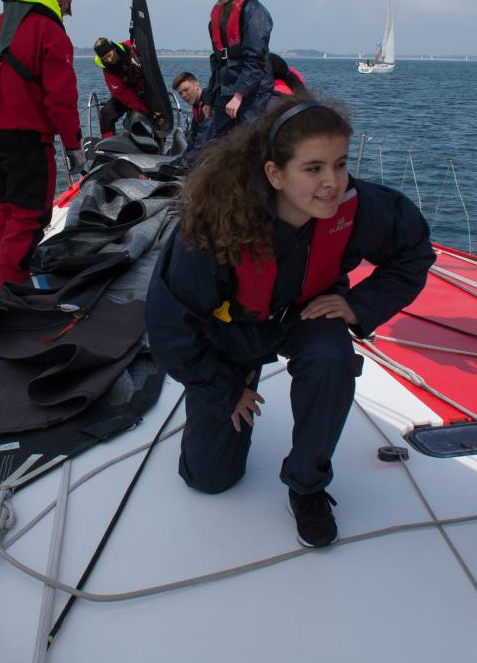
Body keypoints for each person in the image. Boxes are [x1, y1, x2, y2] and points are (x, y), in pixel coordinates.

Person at [146, 99, 434, 547]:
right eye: (313, 168)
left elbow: (413, 251)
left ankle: (307, 485)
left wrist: (358, 305)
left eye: (340, 164)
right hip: (232, 333)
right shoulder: (214, 224)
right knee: (208, 479)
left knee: (332, 358)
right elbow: (170, 325)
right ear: (275, 174)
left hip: (306, 316)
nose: (332, 182)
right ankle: (232, 395)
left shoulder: (359, 208)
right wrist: (224, 388)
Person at [0, 0, 83, 290]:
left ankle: (1, 281)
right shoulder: (50, 31)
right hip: (27, 139)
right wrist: (73, 145)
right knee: (28, 215)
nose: (65, 14)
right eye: (67, 7)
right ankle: (14, 293)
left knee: (7, 209)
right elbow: (60, 98)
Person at [203, 0, 273, 141]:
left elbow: (256, 58)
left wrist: (239, 95)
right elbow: (217, 60)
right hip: (225, 89)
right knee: (218, 143)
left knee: (247, 143)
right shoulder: (217, 16)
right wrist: (209, 98)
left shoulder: (254, 11)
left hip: (252, 92)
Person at [93, 37, 156, 138]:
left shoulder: (129, 48)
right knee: (106, 114)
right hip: (129, 95)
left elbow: (143, 43)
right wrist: (143, 109)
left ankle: (159, 140)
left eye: (109, 55)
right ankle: (108, 143)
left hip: (147, 89)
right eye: (105, 58)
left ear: (113, 48)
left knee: (158, 113)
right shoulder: (108, 71)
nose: (109, 60)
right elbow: (122, 94)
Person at [172, 71, 211, 145]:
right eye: (180, 93)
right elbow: (194, 135)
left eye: (186, 90)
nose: (183, 95)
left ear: (197, 85)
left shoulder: (209, 103)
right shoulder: (196, 107)